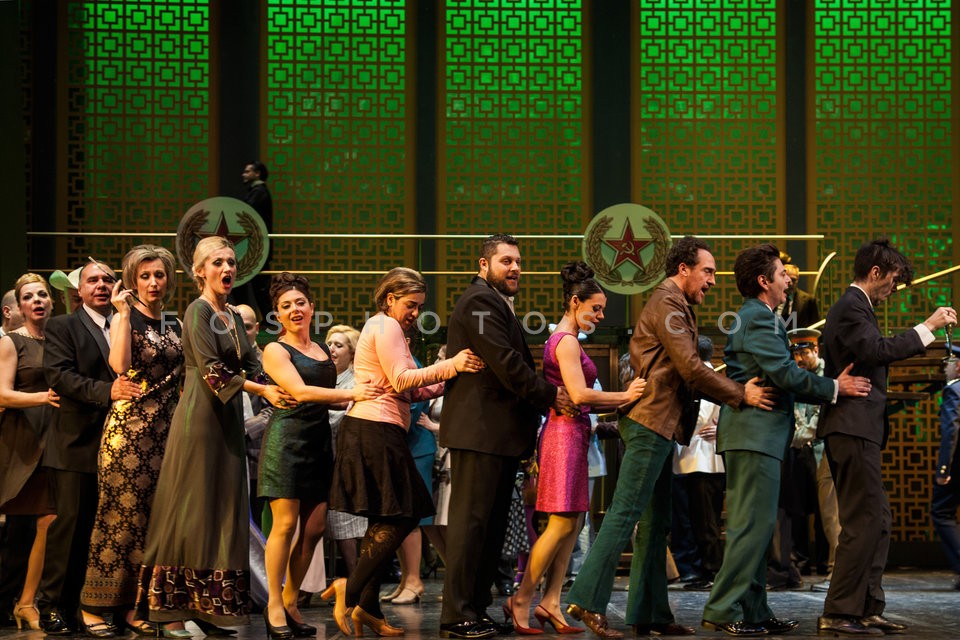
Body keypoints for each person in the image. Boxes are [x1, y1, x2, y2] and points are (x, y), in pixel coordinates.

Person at [564, 235, 776, 640]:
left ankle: (650, 613)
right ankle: (587, 598)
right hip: (649, 423)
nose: (712, 281)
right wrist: (740, 393)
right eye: (707, 272)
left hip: (659, 424)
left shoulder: (675, 305)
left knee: (655, 522)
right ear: (683, 269)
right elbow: (691, 367)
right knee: (626, 513)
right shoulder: (667, 303)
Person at [701, 243, 870, 637]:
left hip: (758, 435)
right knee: (750, 527)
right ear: (764, 281)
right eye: (781, 274)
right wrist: (835, 387)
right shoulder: (759, 318)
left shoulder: (760, 317)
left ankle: (754, 610)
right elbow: (784, 373)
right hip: (753, 434)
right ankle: (722, 609)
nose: (788, 280)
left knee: (759, 528)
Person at [136, 236, 294, 630]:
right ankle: (171, 614)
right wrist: (262, 391)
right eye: (218, 262)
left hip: (227, 421)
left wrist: (291, 382)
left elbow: (254, 364)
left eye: (231, 262)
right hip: (200, 419)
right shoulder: (198, 311)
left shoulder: (234, 316)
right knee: (192, 509)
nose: (227, 269)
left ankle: (206, 607)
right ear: (200, 271)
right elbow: (212, 371)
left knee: (222, 510)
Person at [323, 267, 484, 637]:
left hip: (377, 429)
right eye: (411, 304)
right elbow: (401, 379)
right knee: (406, 513)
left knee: (384, 520)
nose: (415, 312)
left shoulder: (388, 329)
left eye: (419, 306)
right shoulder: (385, 326)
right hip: (374, 429)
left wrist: (450, 377)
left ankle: (367, 609)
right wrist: (452, 364)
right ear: (390, 298)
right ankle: (350, 587)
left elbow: (409, 390)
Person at [817, 239, 956, 636]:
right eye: (893, 281)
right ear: (875, 272)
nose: (893, 290)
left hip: (861, 427)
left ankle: (866, 606)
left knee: (878, 520)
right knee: (863, 521)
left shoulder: (860, 308)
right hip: (851, 426)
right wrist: (928, 327)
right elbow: (877, 350)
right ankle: (839, 610)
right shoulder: (851, 306)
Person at [439, 234, 574, 640]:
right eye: (505, 261)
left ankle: (475, 608)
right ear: (483, 265)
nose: (515, 268)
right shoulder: (480, 302)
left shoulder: (495, 303)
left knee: (490, 528)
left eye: (517, 261)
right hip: (479, 432)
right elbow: (505, 361)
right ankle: (457, 614)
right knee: (471, 526)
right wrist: (550, 395)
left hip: (496, 434)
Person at [507, 261, 645, 634]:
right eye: (595, 308)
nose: (600, 316)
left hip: (575, 433)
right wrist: (626, 396)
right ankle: (522, 598)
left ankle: (551, 601)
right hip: (563, 435)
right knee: (561, 522)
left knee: (574, 522)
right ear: (574, 302)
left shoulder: (569, 339)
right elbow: (581, 394)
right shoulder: (566, 341)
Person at [259, 273, 382, 639]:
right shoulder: (275, 350)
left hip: (318, 442)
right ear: (277, 315)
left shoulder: (322, 350)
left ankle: (291, 600)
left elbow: (334, 391)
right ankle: (274, 604)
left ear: (311, 307)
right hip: (286, 441)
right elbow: (300, 392)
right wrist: (352, 395)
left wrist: (361, 393)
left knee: (314, 529)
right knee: (284, 526)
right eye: (286, 306)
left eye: (300, 303)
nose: (294, 309)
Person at [78, 246, 184, 638]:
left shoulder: (171, 323)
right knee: (117, 519)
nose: (153, 283)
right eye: (144, 276)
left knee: (148, 525)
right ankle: (92, 606)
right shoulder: (127, 317)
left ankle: (131, 606)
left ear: (169, 279)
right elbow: (119, 366)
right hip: (129, 434)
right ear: (132, 281)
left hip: (164, 435)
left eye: (159, 275)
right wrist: (122, 314)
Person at [40, 260, 142, 636]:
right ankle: (54, 605)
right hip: (77, 443)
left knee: (113, 532)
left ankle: (100, 605)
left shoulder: (129, 324)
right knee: (72, 527)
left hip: (125, 446)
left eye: (107, 280)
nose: (101, 285)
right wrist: (107, 391)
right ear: (79, 290)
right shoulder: (63, 326)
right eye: (92, 280)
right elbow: (60, 376)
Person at [0, 274, 60, 631]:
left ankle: (27, 601)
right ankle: (18, 601)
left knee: (49, 520)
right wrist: (44, 397)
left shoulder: (59, 339)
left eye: (42, 295)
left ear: (52, 301)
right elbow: (2, 394)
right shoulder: (11, 342)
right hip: (22, 440)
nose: (37, 300)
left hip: (55, 439)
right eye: (28, 297)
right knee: (23, 527)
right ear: (19, 307)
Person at [787, 328, 840, 592]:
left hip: (821, 449)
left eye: (804, 353)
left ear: (816, 350)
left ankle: (831, 567)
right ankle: (801, 561)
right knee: (796, 510)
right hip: (799, 450)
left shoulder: (827, 375)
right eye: (796, 354)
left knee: (828, 513)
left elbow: (821, 417)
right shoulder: (796, 376)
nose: (799, 359)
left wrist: (798, 435)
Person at [673, 336, 725, 592]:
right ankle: (701, 570)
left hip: (702, 459)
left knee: (705, 522)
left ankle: (710, 570)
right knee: (698, 520)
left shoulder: (705, 378)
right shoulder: (706, 377)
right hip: (694, 458)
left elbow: (700, 418)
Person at [322, 324, 368, 578]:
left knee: (345, 521)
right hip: (325, 458)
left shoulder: (355, 381)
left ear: (351, 352)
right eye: (329, 343)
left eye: (338, 345)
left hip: (347, 459)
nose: (331, 349)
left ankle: (356, 580)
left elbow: (344, 418)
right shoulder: (326, 379)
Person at [931, 355, 960, 590]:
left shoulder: (954, 390)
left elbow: (951, 431)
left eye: (948, 363)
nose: (945, 367)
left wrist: (943, 468)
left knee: (941, 512)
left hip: (956, 465)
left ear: (958, 366)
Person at [779, 259, 819, 329]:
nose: (791, 283)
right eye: (787, 280)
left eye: (793, 280)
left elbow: (815, 327)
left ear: (797, 280)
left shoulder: (808, 301)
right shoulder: (771, 298)